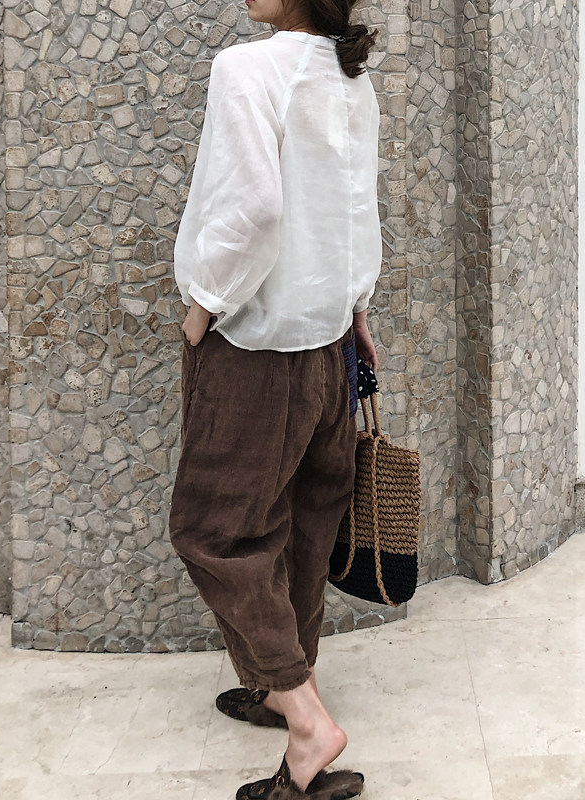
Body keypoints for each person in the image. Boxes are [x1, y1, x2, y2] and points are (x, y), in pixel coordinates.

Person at [168, 0, 381, 795]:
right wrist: (357, 310)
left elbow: (254, 207)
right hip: (330, 341)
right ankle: (280, 687)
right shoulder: (349, 74)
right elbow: (357, 208)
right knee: (302, 526)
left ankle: (306, 722)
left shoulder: (247, 67)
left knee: (214, 530)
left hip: (258, 345)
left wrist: (205, 305)